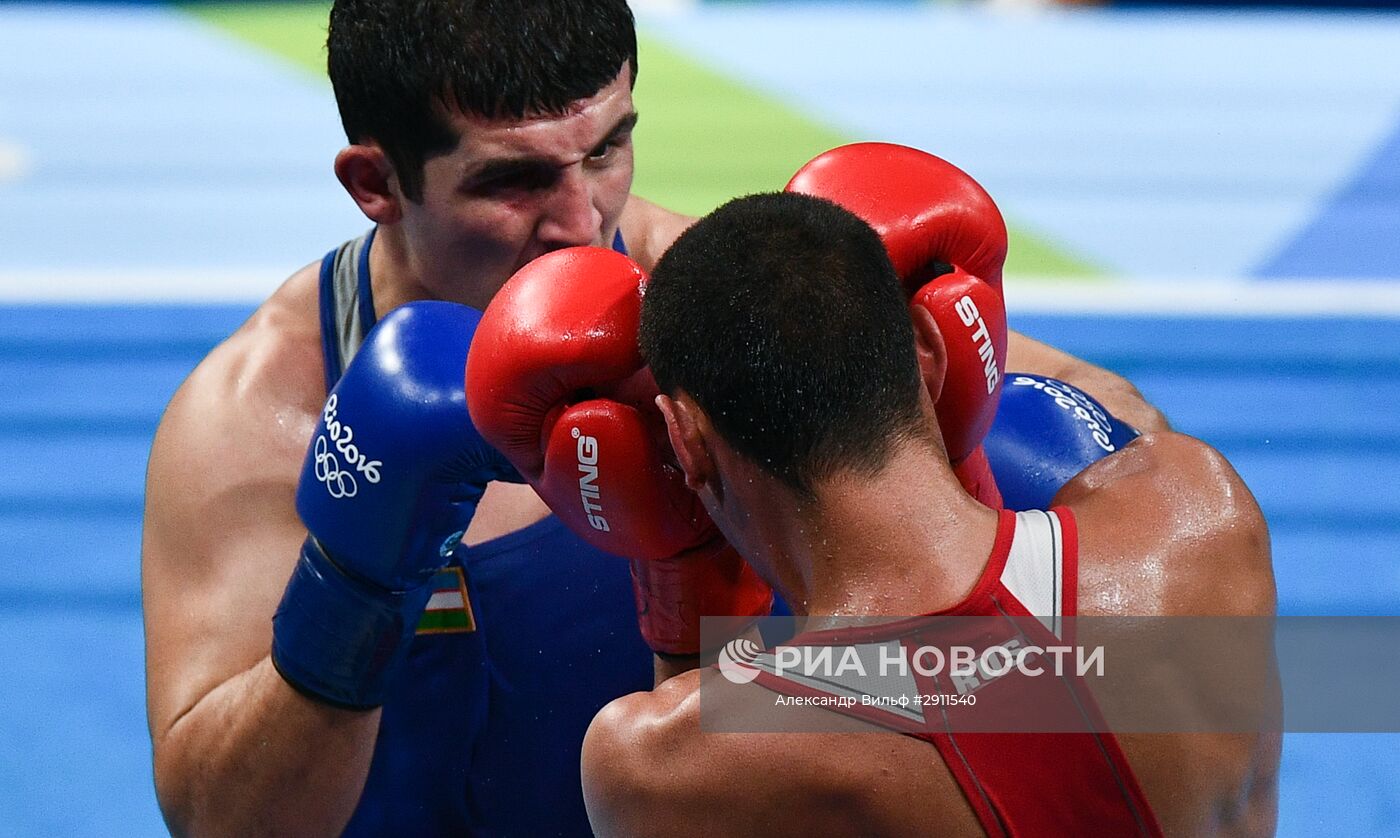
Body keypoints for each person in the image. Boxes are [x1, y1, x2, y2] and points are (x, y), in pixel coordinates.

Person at [141, 2, 1167, 835]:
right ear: (376, 183)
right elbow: (220, 819)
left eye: (607, 149)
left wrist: (956, 412)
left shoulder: (728, 304)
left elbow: (1128, 436)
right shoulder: (269, 411)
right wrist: (356, 581)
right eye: (515, 179)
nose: (582, 219)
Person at [578, 192, 1280, 836]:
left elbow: (668, 788)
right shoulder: (1199, 518)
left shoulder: (662, 760)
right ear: (928, 345)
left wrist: (685, 594)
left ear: (686, 440)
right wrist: (963, 445)